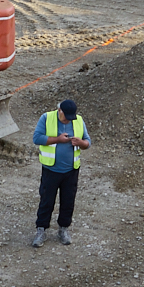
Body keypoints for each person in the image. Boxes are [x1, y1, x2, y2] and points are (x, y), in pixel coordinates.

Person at [31, 99, 90, 247]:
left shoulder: (78, 120)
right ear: (59, 111)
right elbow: (36, 138)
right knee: (46, 201)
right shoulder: (46, 118)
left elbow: (87, 142)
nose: (68, 120)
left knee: (68, 201)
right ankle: (41, 230)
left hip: (71, 171)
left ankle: (63, 229)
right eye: (66, 117)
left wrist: (81, 143)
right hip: (51, 170)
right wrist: (57, 139)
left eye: (71, 117)